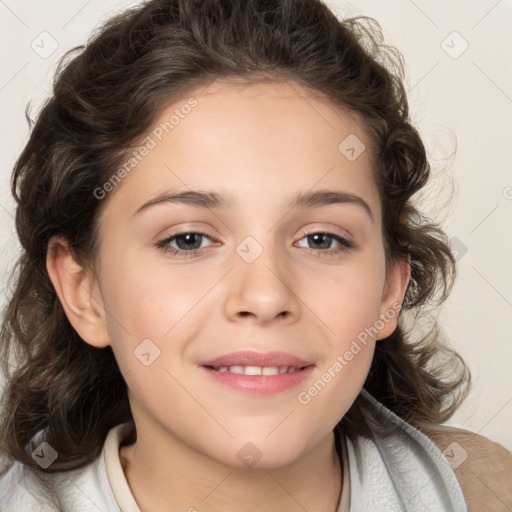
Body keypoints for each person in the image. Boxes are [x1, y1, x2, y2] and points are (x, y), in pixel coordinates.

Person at [0, 0, 510, 511]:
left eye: (321, 239)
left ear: (389, 289)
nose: (265, 297)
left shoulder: (486, 490)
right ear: (83, 290)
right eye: (188, 240)